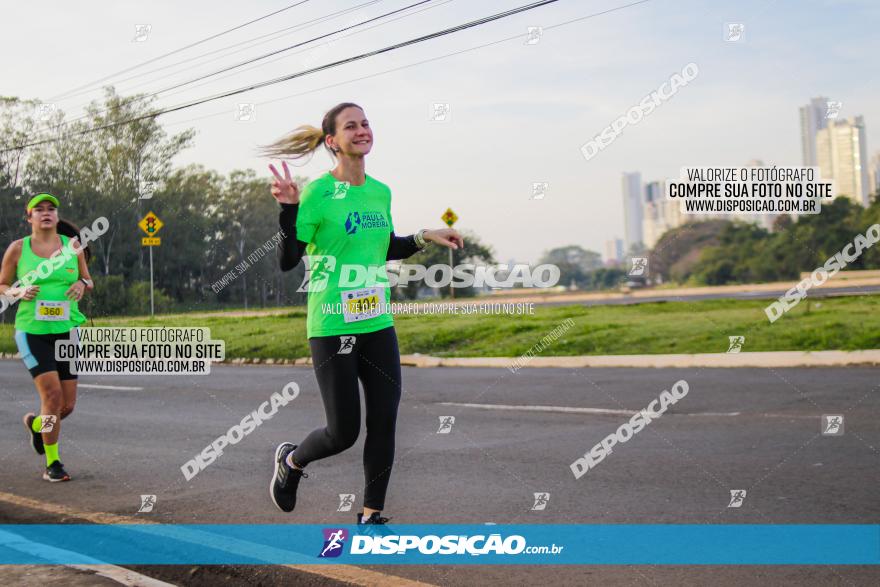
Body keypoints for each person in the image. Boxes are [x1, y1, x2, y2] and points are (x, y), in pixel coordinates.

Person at [264, 102, 463, 524]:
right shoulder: (318, 193)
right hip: (333, 324)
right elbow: (287, 260)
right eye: (350, 126)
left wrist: (426, 234)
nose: (362, 130)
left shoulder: (380, 191)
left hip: (377, 321)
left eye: (366, 123)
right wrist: (289, 209)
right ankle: (292, 461)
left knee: (385, 423)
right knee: (343, 433)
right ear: (333, 142)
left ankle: (371, 514)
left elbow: (385, 245)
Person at [0, 193, 93, 482]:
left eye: (50, 208)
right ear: (29, 218)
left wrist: (81, 284)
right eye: (38, 209)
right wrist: (17, 292)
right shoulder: (18, 249)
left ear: (56, 215)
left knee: (66, 406)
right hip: (33, 332)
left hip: (67, 331)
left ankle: (37, 424)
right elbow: (2, 284)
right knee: (51, 396)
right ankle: (54, 463)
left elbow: (88, 280)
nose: (46, 213)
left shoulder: (72, 247)